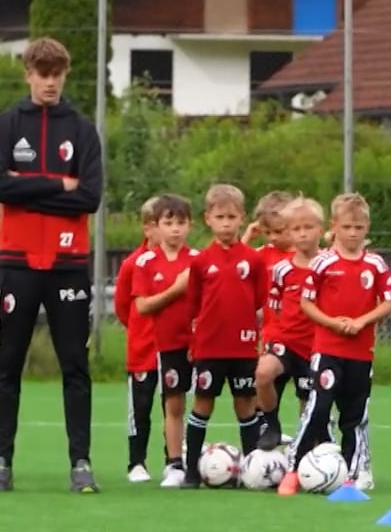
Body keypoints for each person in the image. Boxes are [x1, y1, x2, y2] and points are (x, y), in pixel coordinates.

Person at [0, 36, 105, 494]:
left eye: (57, 74)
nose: (50, 82)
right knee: (7, 363)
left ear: (64, 75)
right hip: (17, 264)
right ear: (28, 74)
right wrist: (58, 184)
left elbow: (89, 196)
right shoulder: (8, 124)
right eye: (42, 74)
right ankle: (0, 461)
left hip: (69, 263)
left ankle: (81, 463)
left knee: (75, 364)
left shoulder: (82, 129)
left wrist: (26, 183)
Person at [278, 193, 391, 496]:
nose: (353, 233)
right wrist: (332, 323)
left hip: (361, 352)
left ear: (367, 227)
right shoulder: (323, 263)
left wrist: (361, 322)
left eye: (358, 227)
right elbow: (306, 303)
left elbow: (389, 302)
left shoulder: (375, 264)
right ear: (334, 227)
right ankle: (293, 469)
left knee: (355, 414)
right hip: (328, 349)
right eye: (347, 227)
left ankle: (353, 471)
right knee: (318, 408)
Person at [181, 184, 267, 487]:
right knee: (203, 403)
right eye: (220, 217)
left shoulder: (254, 261)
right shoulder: (201, 261)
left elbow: (259, 299)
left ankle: (251, 471)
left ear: (242, 218)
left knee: (245, 403)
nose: (226, 223)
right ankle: (191, 471)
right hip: (209, 347)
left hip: (242, 347)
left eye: (232, 217)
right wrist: (194, 341)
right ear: (208, 219)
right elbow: (192, 304)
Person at [130, 194, 198, 488]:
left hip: (196, 345)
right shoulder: (144, 262)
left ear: (190, 226)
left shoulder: (197, 260)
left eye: (180, 223)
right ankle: (173, 464)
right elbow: (141, 306)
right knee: (171, 403)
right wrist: (176, 289)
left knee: (198, 404)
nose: (175, 229)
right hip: (165, 346)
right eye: (168, 223)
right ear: (155, 226)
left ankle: (192, 461)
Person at [256, 196, 323, 449]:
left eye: (308, 228)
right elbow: (273, 309)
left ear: (320, 229)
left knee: (308, 401)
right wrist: (268, 340)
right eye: (296, 229)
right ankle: (271, 424)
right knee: (263, 374)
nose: (303, 234)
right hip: (283, 340)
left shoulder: (327, 265)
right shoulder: (281, 270)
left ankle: (306, 451)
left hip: (314, 345)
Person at [112, 198, 162, 482]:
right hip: (142, 350)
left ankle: (175, 460)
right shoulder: (132, 264)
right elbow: (122, 306)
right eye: (161, 224)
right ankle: (136, 462)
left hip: (175, 349)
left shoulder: (185, 262)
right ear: (147, 228)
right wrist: (138, 330)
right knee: (140, 408)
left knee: (174, 404)